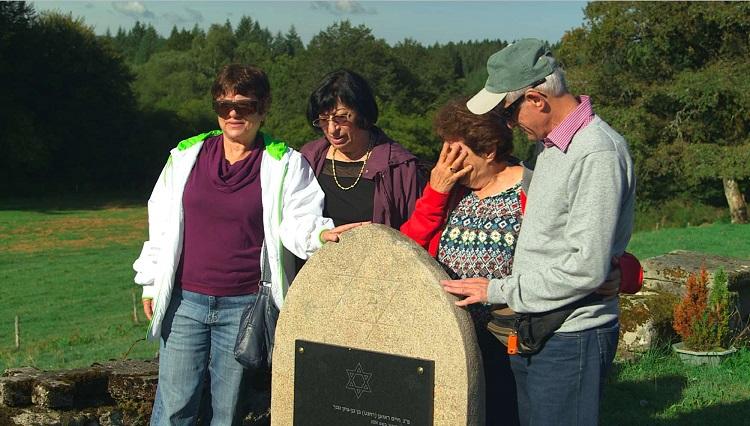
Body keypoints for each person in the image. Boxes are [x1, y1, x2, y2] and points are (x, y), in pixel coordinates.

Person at [133, 64, 360, 425]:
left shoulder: (284, 162)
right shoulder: (186, 156)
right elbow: (160, 223)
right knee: (175, 409)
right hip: (185, 302)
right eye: (225, 106)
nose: (234, 114)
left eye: (245, 105)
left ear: (264, 107)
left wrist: (319, 236)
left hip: (243, 310)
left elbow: (298, 220)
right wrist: (150, 282)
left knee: (227, 412)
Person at [441, 39, 636, 425]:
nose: (509, 125)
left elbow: (586, 267)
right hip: (539, 328)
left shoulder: (596, 153)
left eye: (509, 114)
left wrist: (496, 289)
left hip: (571, 334)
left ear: (536, 98)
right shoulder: (552, 148)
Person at [400, 97, 524, 426]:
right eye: (446, 152)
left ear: (490, 150)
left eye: (459, 154)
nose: (449, 163)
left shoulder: (529, 190)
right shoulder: (452, 190)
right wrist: (436, 192)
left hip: (506, 339)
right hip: (450, 337)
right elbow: (407, 252)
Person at [300, 69, 423, 229]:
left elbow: (416, 231)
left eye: (341, 118)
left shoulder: (399, 167)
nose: (332, 129)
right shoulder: (309, 158)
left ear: (362, 112)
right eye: (323, 120)